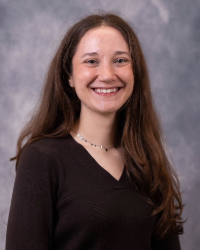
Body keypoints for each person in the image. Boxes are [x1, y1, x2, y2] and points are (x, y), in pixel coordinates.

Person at [6, 12, 184, 250]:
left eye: (120, 60)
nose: (108, 75)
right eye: (91, 61)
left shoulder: (146, 157)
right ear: (69, 75)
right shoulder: (42, 159)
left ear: (135, 72)